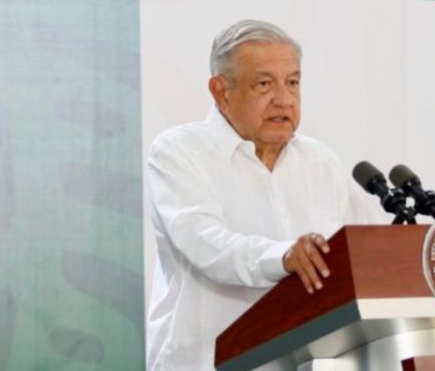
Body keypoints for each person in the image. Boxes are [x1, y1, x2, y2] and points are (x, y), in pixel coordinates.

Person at [146, 19, 379, 370]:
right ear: (221, 91)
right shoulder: (179, 152)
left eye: (293, 82)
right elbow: (205, 244)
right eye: (265, 84)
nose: (284, 99)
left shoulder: (320, 162)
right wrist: (283, 257)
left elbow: (370, 250)